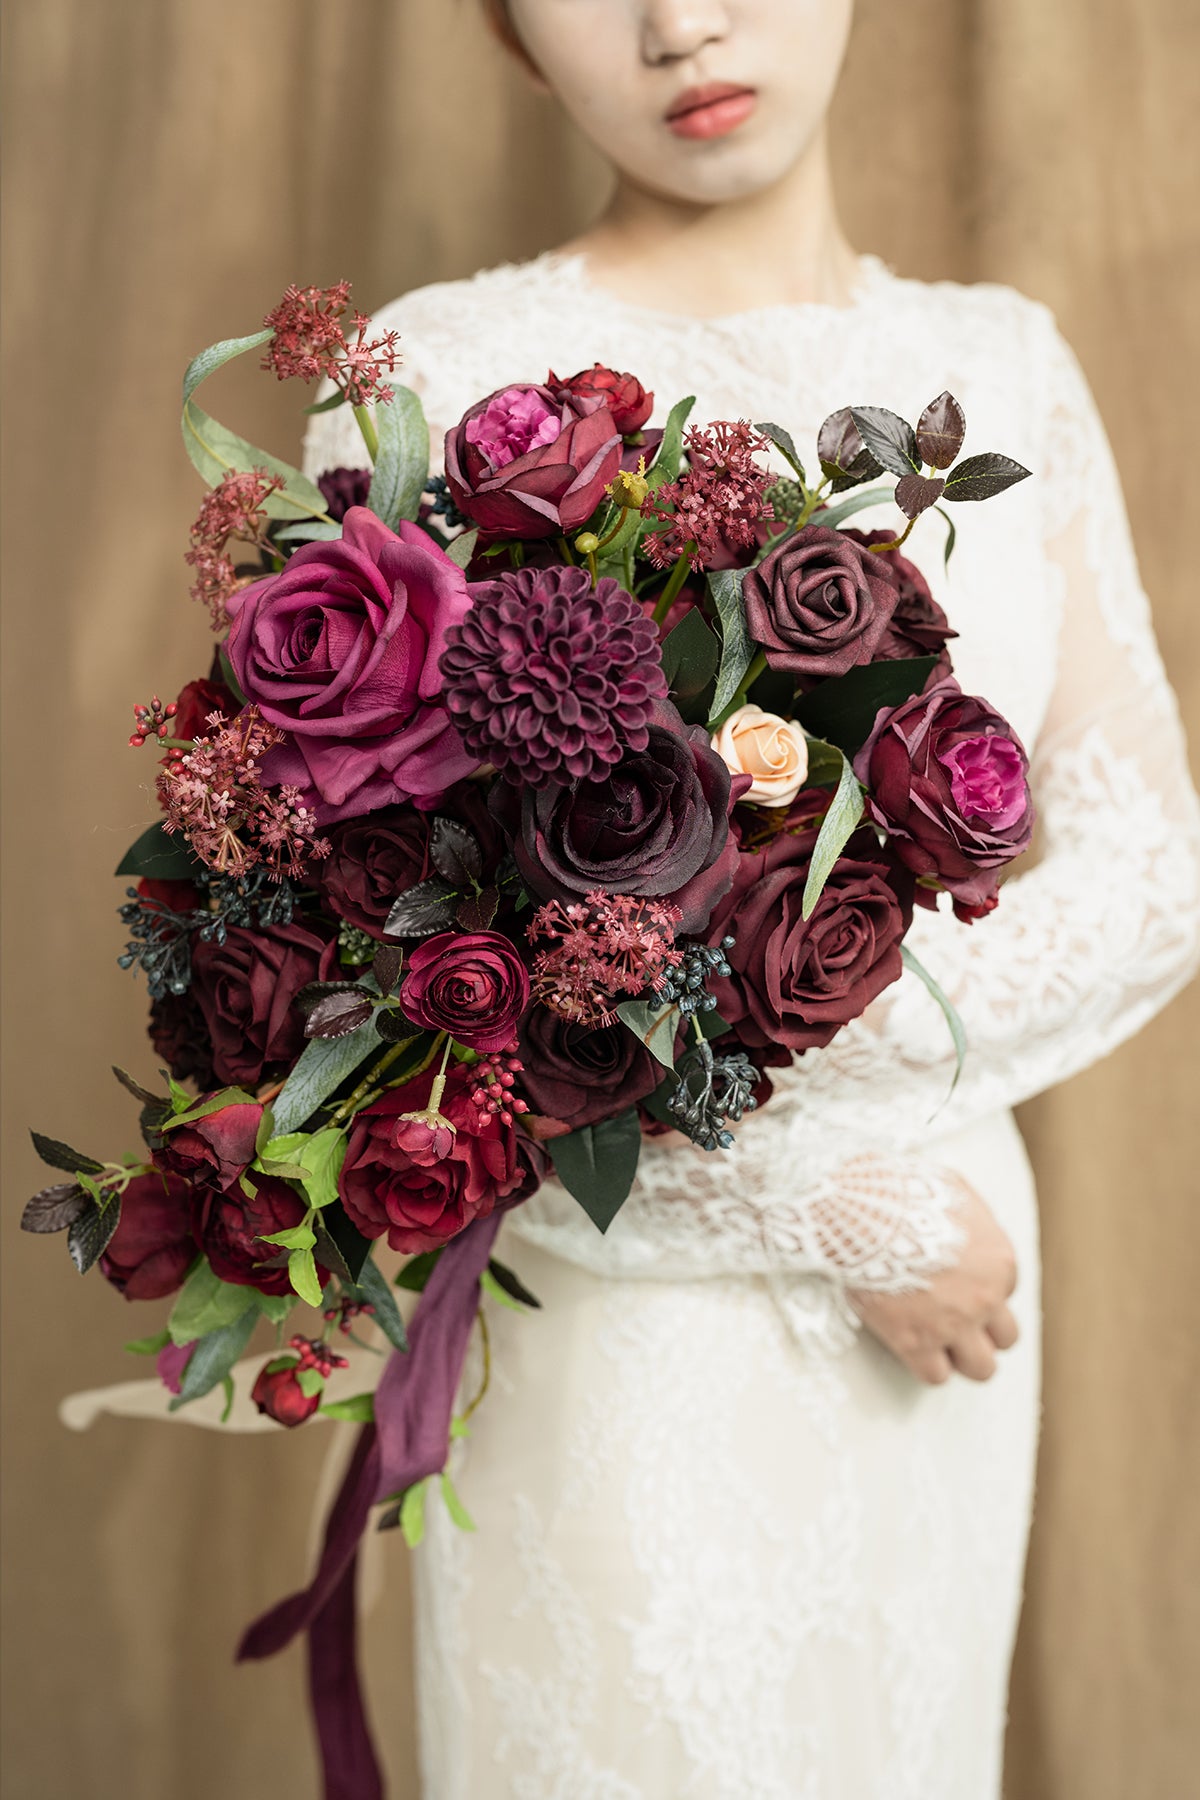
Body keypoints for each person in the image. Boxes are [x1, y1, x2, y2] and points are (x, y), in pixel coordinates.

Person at [302, 4, 1200, 1795]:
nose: (680, 22)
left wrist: (790, 1055)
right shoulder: (442, 370)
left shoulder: (996, 364)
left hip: (939, 1320)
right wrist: (812, 1193)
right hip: (626, 1315)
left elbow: (1150, 865)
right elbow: (379, 961)